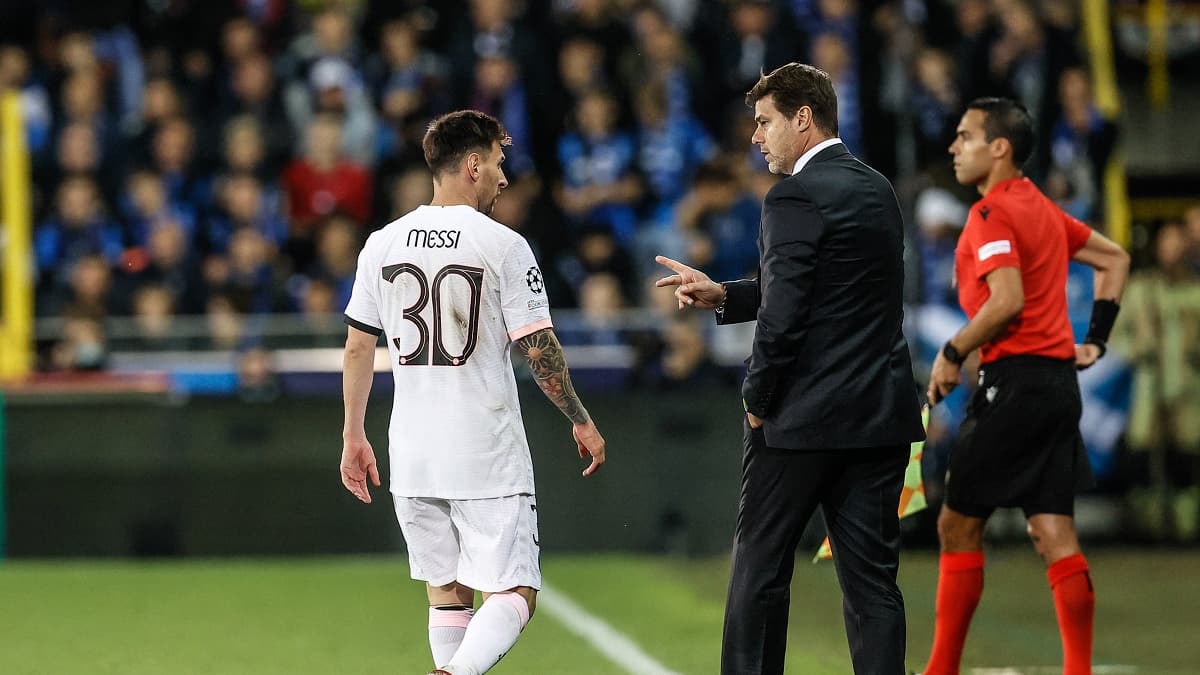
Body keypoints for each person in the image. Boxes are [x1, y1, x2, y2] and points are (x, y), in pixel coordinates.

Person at [655, 62, 925, 675]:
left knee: (758, 572)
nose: (757, 137)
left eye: (765, 122)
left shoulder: (793, 195)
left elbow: (785, 319)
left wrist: (757, 396)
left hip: (801, 420)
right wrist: (726, 295)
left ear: (803, 119)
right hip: (880, 417)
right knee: (873, 587)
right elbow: (834, 290)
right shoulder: (877, 187)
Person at [338, 110, 606, 675]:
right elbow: (539, 350)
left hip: (412, 451)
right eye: (500, 164)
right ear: (473, 164)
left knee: (448, 594)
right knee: (516, 593)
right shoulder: (503, 244)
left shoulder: (380, 244)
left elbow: (359, 348)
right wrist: (579, 417)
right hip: (483, 449)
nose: (504, 179)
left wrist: (353, 434)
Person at [921, 98, 1130, 675]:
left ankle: (939, 671)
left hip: (1012, 385)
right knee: (1053, 532)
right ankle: (1077, 671)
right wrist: (1097, 339)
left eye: (965, 136)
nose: (953, 147)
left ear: (999, 148)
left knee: (956, 523)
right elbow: (1116, 260)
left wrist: (951, 351)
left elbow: (1006, 300)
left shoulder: (990, 214)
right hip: (1059, 386)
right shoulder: (1043, 209)